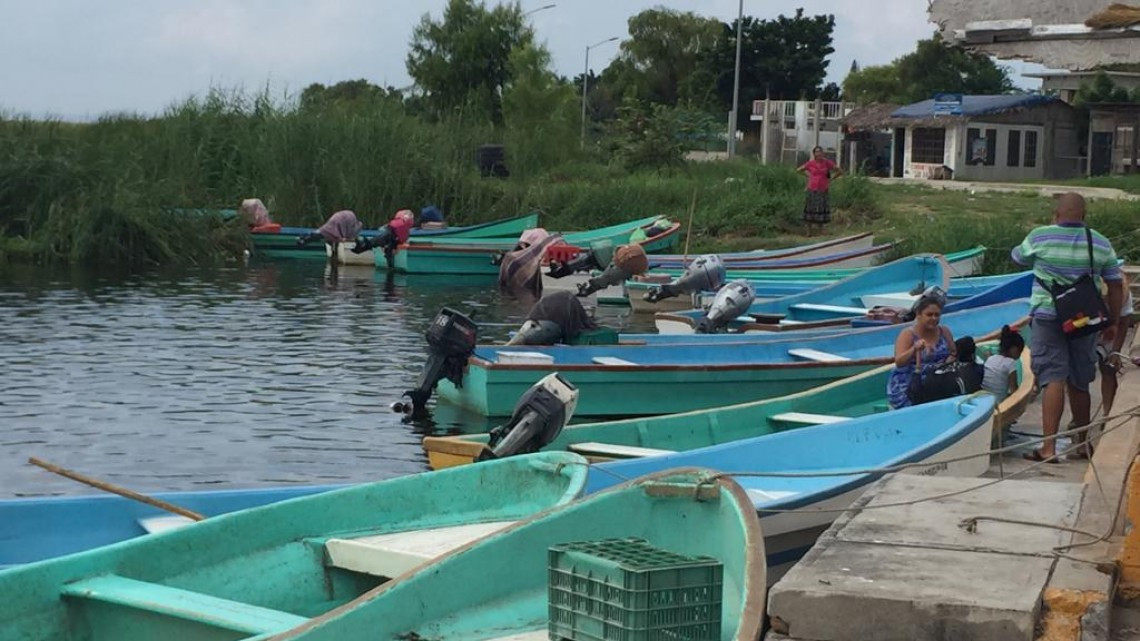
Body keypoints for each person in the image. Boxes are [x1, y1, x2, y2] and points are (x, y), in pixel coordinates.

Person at [1012, 192, 1125, 462]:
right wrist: (1113, 320)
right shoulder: (1099, 242)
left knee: (1053, 378)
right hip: (1084, 319)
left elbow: (1017, 258)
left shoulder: (1040, 236)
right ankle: (1081, 445)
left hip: (1049, 315)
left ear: (1057, 214)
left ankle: (1048, 448)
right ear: (1084, 216)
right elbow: (1116, 284)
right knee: (1079, 380)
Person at [886, 295, 958, 410]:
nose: (934, 318)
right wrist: (914, 349)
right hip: (911, 382)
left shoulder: (944, 331)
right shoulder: (908, 334)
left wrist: (951, 358)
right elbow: (899, 362)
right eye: (929, 315)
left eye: (937, 315)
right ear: (919, 315)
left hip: (939, 378)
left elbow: (953, 352)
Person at [1099, 276, 1134, 415]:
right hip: (1085, 323)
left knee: (1108, 367)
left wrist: (1116, 351)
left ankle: (1107, 412)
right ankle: (1078, 419)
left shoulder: (1124, 295)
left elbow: (1124, 323)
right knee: (1078, 375)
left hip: (1111, 329)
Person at [797, 146, 843, 236]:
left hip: (822, 189)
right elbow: (799, 170)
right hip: (812, 188)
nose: (819, 154)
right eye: (817, 152)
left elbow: (840, 171)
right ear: (814, 154)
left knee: (821, 209)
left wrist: (831, 179)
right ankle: (808, 232)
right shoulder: (810, 163)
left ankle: (820, 230)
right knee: (810, 209)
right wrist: (808, 176)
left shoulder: (827, 163)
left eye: (820, 152)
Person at [981, 325, 1025, 402]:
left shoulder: (991, 358)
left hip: (984, 399)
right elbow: (1014, 389)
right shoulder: (1010, 363)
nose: (1019, 355)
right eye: (1020, 352)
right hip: (997, 401)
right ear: (1014, 350)